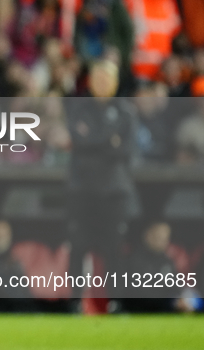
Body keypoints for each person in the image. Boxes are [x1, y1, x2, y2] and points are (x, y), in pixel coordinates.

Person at [65, 59, 138, 305]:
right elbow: (79, 141)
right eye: (98, 77)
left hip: (113, 192)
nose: (102, 83)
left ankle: (115, 302)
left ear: (116, 82)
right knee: (78, 245)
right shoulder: (78, 108)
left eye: (107, 78)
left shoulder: (126, 111)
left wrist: (94, 142)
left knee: (114, 248)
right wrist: (108, 140)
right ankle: (75, 301)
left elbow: (126, 150)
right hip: (82, 190)